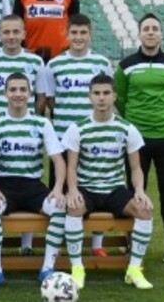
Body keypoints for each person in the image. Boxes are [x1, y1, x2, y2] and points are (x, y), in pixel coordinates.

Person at [114, 13, 164, 266]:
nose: (150, 32)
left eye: (155, 28)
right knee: (134, 193)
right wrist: (136, 123)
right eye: (146, 28)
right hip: (137, 141)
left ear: (161, 34)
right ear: (139, 34)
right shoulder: (126, 66)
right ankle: (130, 245)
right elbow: (120, 100)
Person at [62, 74, 154, 290]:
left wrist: (139, 190)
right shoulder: (77, 128)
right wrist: (72, 189)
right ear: (90, 97)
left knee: (145, 210)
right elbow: (71, 166)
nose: (101, 98)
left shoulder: (127, 129)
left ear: (114, 96)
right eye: (96, 93)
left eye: (106, 93)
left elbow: (135, 168)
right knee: (73, 208)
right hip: (87, 188)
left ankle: (134, 270)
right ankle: (77, 269)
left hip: (114, 189)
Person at [0, 73, 67, 287]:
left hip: (32, 186)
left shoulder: (42, 123)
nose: (18, 94)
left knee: (59, 207)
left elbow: (58, 160)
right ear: (5, 93)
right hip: (4, 185)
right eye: (13, 90)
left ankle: (47, 268)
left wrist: (57, 189)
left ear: (30, 93)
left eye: (22, 90)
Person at [42, 13, 113, 256]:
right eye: (74, 32)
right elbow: (51, 100)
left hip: (94, 139)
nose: (79, 37)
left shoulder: (102, 63)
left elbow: (106, 97)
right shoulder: (54, 65)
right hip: (63, 140)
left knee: (95, 189)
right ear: (67, 34)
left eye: (83, 33)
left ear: (90, 35)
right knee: (61, 193)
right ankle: (60, 240)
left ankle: (96, 245)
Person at [0, 14, 47, 120]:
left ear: (24, 34)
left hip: (25, 126)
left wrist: (30, 119)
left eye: (16, 32)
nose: (11, 37)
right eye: (6, 32)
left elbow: (41, 98)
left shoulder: (36, 62)